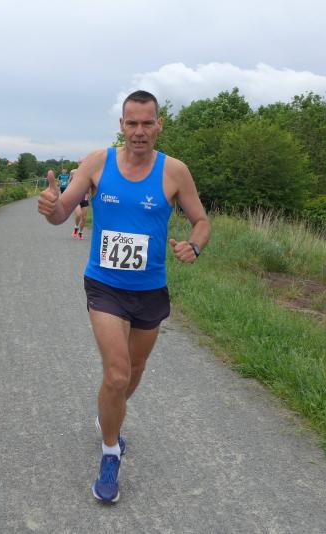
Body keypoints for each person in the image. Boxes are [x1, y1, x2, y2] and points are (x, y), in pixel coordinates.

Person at [37, 90, 211, 504]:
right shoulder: (98, 162)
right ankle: (111, 452)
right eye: (131, 123)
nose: (139, 131)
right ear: (121, 125)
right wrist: (51, 207)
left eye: (147, 123)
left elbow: (201, 220)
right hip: (104, 285)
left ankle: (108, 414)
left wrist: (195, 245)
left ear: (159, 125)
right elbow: (62, 213)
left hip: (150, 290)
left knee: (133, 371)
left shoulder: (175, 171)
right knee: (116, 373)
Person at [68, 169, 90, 240]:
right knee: (78, 214)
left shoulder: (88, 175)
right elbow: (69, 184)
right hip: (76, 199)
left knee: (84, 218)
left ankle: (80, 232)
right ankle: (76, 227)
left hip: (84, 199)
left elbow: (89, 188)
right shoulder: (73, 173)